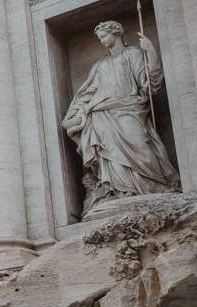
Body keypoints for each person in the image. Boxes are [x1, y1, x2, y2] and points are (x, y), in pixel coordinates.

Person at [62, 20, 180, 214]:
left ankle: (154, 185)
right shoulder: (100, 65)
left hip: (130, 109)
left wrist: (150, 52)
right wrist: (76, 115)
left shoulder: (133, 54)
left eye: (104, 36)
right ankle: (119, 190)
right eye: (99, 38)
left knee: (140, 144)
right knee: (110, 154)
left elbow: (151, 84)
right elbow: (87, 94)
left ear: (116, 33)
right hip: (102, 115)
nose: (102, 41)